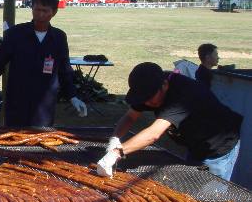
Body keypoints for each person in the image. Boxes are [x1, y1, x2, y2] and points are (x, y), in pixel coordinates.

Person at [96, 62, 242, 181]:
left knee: (210, 196)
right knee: (193, 183)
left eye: (149, 97)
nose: (146, 102)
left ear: (164, 85)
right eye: (143, 97)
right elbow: (130, 116)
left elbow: (153, 134)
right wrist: (115, 138)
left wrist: (116, 153)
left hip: (218, 147)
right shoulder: (150, 88)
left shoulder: (183, 95)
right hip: (195, 142)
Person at [0, 0, 88, 127]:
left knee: (40, 140)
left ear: (54, 12)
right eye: (37, 9)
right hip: (17, 99)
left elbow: (64, 69)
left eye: (45, 11)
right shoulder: (15, 34)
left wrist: (73, 96)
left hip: (44, 102)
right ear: (32, 8)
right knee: (13, 139)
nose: (40, 14)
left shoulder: (59, 37)